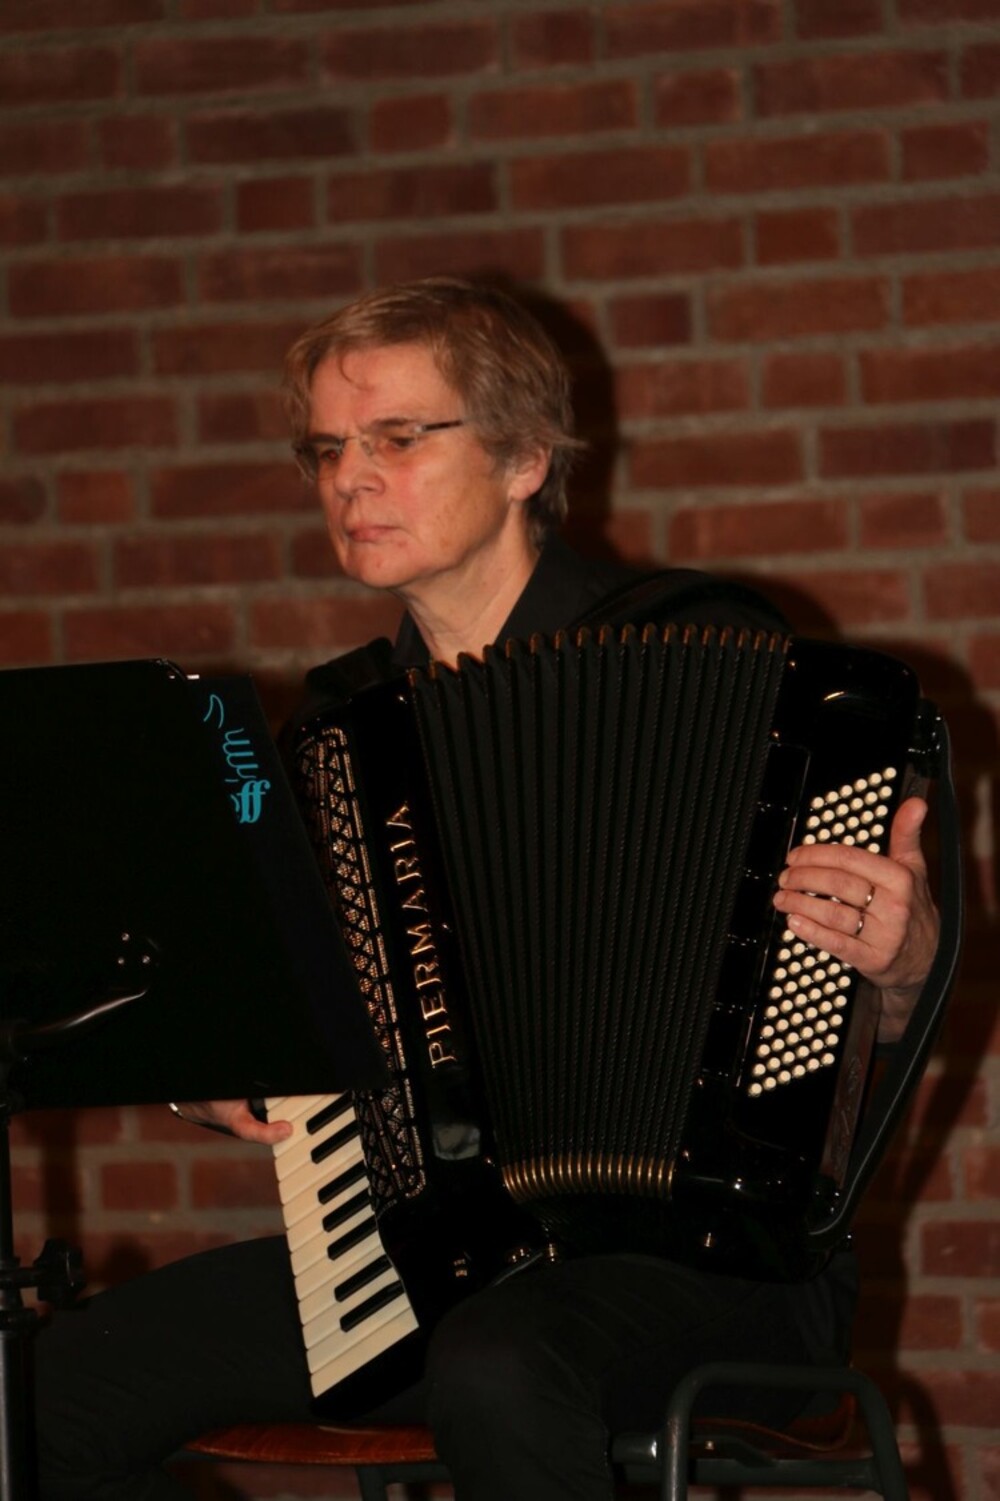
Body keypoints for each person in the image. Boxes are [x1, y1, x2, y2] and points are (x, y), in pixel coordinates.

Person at [34, 278, 940, 1501]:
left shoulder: (707, 651)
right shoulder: (341, 736)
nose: (350, 478)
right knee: (44, 1391)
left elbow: (861, 1005)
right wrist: (222, 1071)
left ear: (524, 459)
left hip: (722, 1265)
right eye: (327, 449)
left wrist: (900, 965)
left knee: (501, 1365)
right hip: (428, 1259)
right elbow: (280, 1009)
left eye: (398, 438)